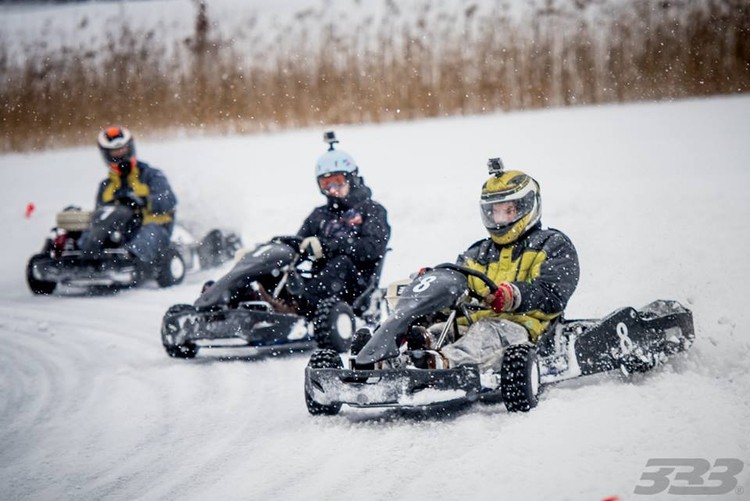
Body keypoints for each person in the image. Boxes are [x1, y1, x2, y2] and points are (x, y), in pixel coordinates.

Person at [424, 158, 579, 371]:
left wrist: (512, 296)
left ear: (528, 207)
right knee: (437, 330)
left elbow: (552, 295)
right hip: (472, 326)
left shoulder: (552, 244)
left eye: (509, 211)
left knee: (488, 331)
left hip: (523, 329)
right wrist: (434, 289)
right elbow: (459, 289)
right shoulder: (477, 252)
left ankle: (442, 365)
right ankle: (403, 359)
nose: (500, 219)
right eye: (495, 211)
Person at [289, 133, 391, 317]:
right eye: (326, 184)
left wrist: (330, 246)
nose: (333, 190)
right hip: (320, 282)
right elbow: (299, 243)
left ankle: (299, 306)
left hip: (356, 287)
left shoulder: (372, 210)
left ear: (352, 179)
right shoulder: (319, 214)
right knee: (283, 268)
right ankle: (249, 303)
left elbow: (373, 248)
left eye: (338, 182)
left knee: (341, 263)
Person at [78, 126, 177, 268]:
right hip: (120, 231)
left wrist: (144, 201)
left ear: (130, 148)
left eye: (122, 149)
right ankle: (85, 256)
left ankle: (131, 260)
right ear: (106, 155)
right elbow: (100, 214)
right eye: (115, 152)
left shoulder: (151, 175)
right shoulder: (106, 186)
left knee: (149, 234)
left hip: (153, 225)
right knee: (90, 230)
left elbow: (168, 200)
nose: (120, 154)